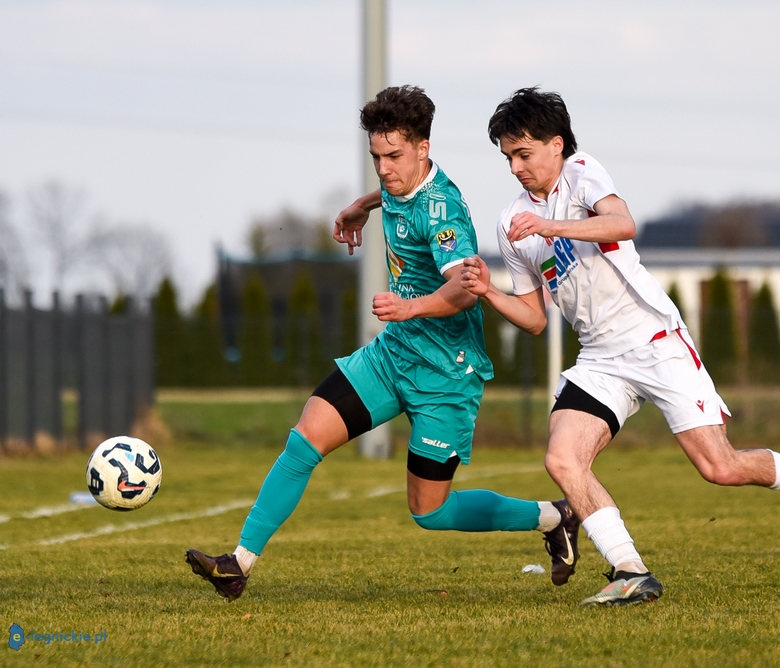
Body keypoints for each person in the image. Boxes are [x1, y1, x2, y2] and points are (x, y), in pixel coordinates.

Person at [460, 87, 780, 608]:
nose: (516, 168)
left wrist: (553, 225)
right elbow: (535, 320)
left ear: (556, 144)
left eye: (524, 153)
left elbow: (623, 223)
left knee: (720, 468)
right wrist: (489, 292)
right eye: (508, 158)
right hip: (599, 358)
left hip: (654, 340)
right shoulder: (511, 223)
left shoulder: (581, 172)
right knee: (562, 459)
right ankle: (630, 572)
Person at [185, 85, 579, 602]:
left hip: (445, 372)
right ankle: (238, 564)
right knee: (305, 438)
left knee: (430, 511)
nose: (384, 168)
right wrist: (360, 206)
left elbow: (465, 289)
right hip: (392, 356)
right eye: (376, 156)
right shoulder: (398, 181)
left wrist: (410, 307)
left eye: (394, 156)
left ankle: (554, 516)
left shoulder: (443, 213)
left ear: (423, 148)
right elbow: (393, 193)